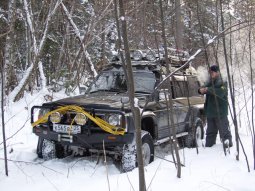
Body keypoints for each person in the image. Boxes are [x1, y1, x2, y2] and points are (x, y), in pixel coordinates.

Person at [198, 65, 232, 148]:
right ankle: (209, 148)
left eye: (212, 72)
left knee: (224, 132)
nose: (211, 74)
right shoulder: (209, 81)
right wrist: (200, 90)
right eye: (210, 72)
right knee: (210, 133)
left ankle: (227, 148)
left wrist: (208, 89)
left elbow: (220, 92)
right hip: (210, 112)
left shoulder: (223, 81)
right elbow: (203, 87)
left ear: (217, 72)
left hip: (220, 112)